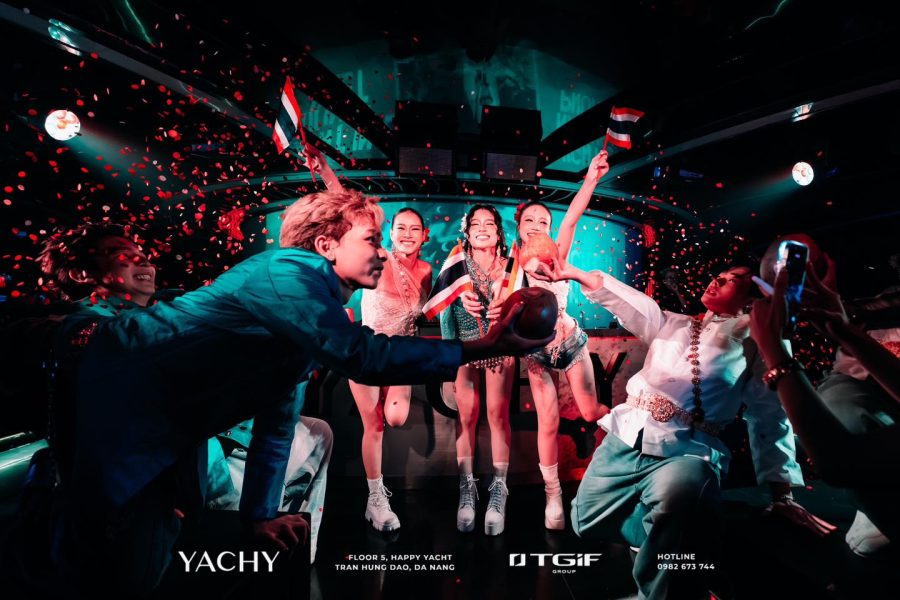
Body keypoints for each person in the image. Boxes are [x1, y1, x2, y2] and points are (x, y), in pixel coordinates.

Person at [50, 189, 549, 594]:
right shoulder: (286, 271)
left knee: (141, 572)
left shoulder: (303, 318)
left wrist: (259, 519)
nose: (383, 252)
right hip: (122, 433)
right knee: (103, 574)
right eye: (371, 239)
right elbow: (360, 355)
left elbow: (276, 428)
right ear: (327, 245)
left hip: (164, 442)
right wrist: (482, 345)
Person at [532, 255, 829, 599]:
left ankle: (666, 581)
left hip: (688, 451)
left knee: (680, 503)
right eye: (718, 273)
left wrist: (781, 492)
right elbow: (631, 303)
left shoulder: (758, 340)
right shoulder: (673, 323)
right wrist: (573, 273)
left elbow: (769, 416)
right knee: (585, 520)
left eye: (731, 280)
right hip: (626, 438)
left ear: (752, 298)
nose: (716, 280)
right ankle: (679, 544)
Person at [38, 222, 335, 564]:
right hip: (168, 487)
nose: (143, 259)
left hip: (206, 459)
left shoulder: (167, 312)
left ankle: (290, 544)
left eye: (142, 253)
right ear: (81, 274)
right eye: (121, 253)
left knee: (315, 431)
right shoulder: (85, 330)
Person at [304, 145, 433, 533]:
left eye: (414, 229)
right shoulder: (379, 257)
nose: (407, 234)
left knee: (395, 417)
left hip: (402, 353)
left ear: (424, 236)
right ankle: (375, 499)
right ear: (390, 234)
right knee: (373, 425)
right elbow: (347, 210)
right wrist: (326, 169)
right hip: (367, 348)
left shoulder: (428, 271)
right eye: (401, 228)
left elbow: (428, 312)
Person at [749, 255, 900, 556]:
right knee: (843, 408)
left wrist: (773, 349)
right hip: (856, 379)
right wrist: (843, 328)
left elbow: (840, 462)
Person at [513, 150, 611, 531]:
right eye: (530, 220)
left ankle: (629, 451)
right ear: (519, 228)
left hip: (569, 343)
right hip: (535, 353)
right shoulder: (510, 269)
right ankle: (552, 495)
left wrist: (590, 179)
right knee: (548, 422)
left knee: (589, 412)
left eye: (544, 221)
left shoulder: (557, 253)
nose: (537, 225)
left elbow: (571, 218)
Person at [439, 204, 515, 535]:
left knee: (498, 416)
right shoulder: (456, 261)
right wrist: (458, 299)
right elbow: (442, 304)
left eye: (489, 224)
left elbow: (526, 305)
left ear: (499, 233)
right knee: (466, 417)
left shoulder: (512, 265)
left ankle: (499, 490)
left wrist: (509, 306)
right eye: (475, 224)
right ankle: (466, 490)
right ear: (467, 233)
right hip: (464, 349)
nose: (482, 228)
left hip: (499, 348)